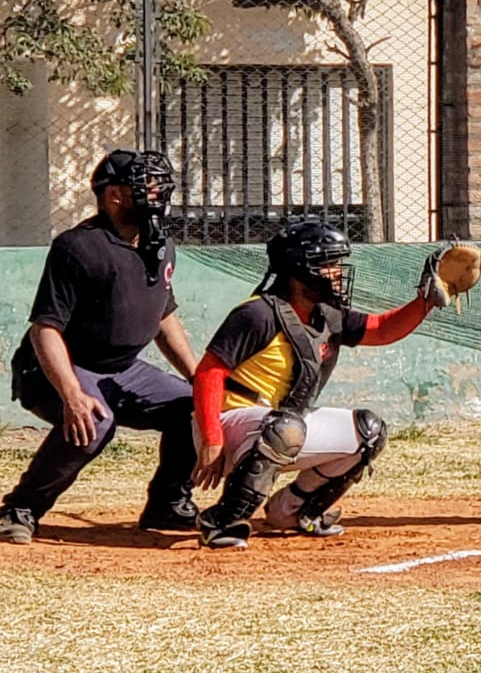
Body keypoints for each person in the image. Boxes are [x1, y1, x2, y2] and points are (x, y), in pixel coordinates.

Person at [189, 218, 453, 549]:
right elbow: (208, 373)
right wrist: (212, 438)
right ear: (300, 270)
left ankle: (291, 510)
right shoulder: (258, 314)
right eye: (328, 264)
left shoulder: (326, 313)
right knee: (285, 428)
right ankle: (221, 521)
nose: (337, 272)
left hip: (280, 426)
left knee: (369, 431)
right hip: (228, 423)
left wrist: (425, 301)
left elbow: (382, 329)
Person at [0, 150, 200, 545]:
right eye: (146, 185)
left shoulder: (160, 244)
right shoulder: (78, 247)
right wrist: (72, 394)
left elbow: (164, 316)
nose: (158, 192)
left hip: (123, 368)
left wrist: (199, 378)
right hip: (56, 368)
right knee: (94, 421)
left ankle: (167, 504)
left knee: (194, 408)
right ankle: (20, 509)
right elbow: (45, 330)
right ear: (114, 195)